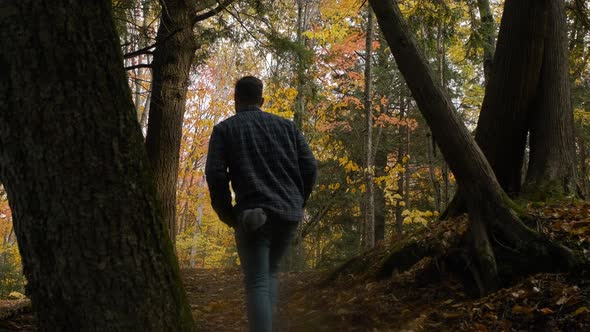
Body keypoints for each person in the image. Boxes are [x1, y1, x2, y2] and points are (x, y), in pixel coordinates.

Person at [205, 76, 317, 332]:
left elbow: (215, 174)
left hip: (253, 216)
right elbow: (310, 166)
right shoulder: (287, 127)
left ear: (236, 100)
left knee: (257, 281)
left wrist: (227, 214)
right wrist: (298, 201)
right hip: (287, 214)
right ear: (262, 100)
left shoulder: (225, 130)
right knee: (270, 274)